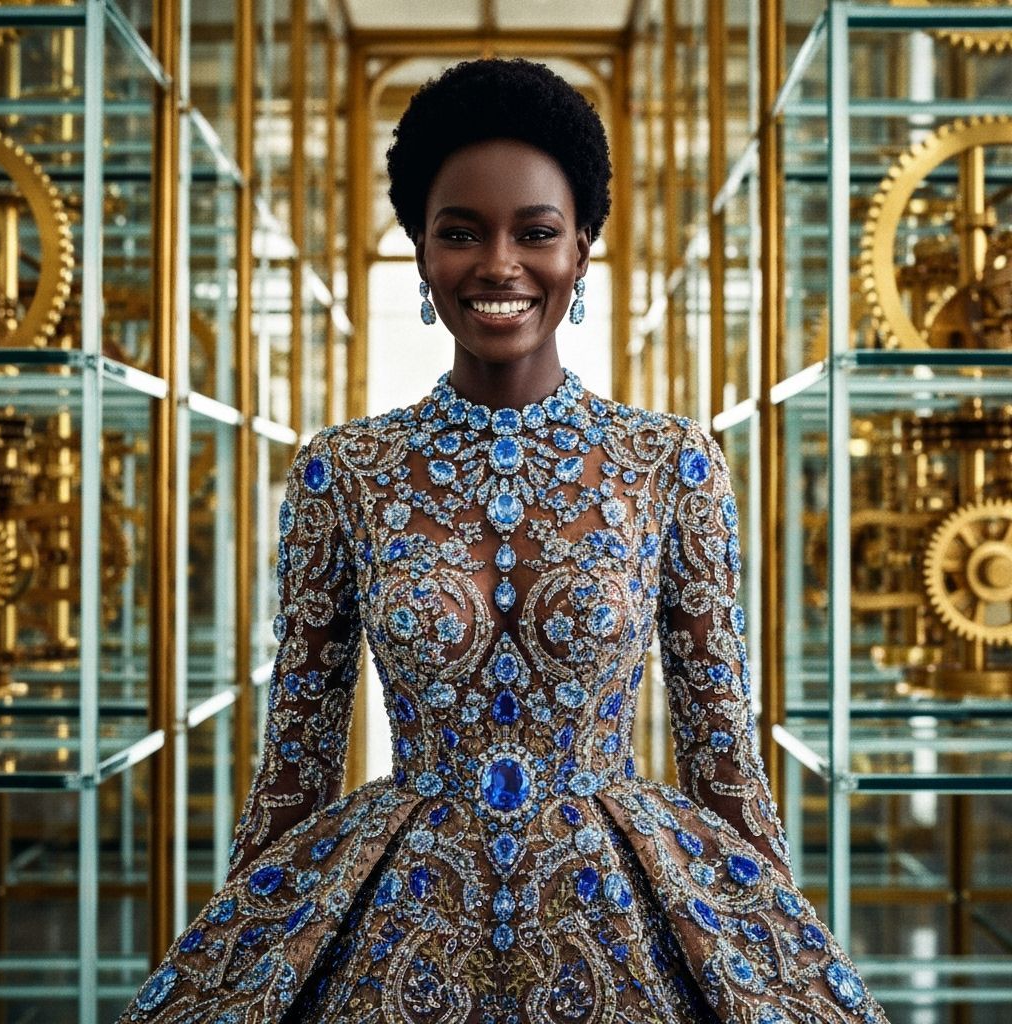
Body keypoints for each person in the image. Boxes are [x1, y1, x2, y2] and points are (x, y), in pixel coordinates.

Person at [121, 58, 889, 1024]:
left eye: (536, 233)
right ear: (419, 250)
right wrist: (237, 959)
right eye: (460, 233)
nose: (498, 265)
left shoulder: (670, 464)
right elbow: (297, 760)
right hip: (398, 917)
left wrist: (779, 957)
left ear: (582, 248)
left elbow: (721, 748)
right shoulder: (342, 471)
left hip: (622, 918)